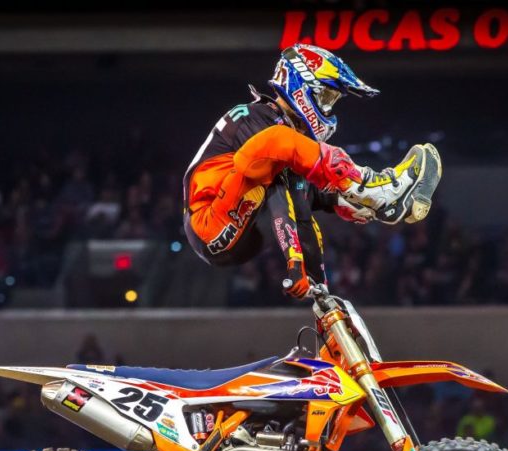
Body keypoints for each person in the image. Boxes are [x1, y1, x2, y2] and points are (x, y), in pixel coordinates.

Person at [183, 44, 441, 299]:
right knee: (281, 147)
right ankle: (371, 188)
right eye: (326, 97)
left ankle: (371, 203)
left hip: (230, 229)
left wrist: (315, 282)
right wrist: (293, 258)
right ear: (301, 87)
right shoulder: (255, 117)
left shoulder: (278, 139)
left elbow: (295, 206)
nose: (329, 108)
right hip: (207, 222)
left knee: (298, 182)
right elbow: (258, 173)